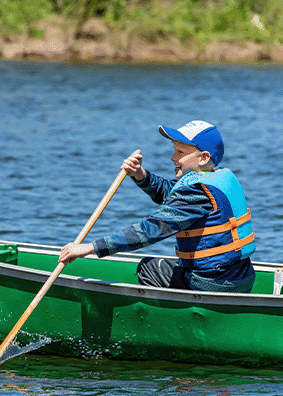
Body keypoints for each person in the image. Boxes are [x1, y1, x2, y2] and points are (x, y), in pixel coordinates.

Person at [59, 120, 256, 293]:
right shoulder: (215, 177)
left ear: (203, 158)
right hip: (242, 276)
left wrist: (89, 247)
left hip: (214, 283)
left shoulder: (195, 191)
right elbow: (173, 194)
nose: (173, 158)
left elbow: (150, 231)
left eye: (180, 152)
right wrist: (140, 175)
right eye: (174, 151)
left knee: (149, 268)